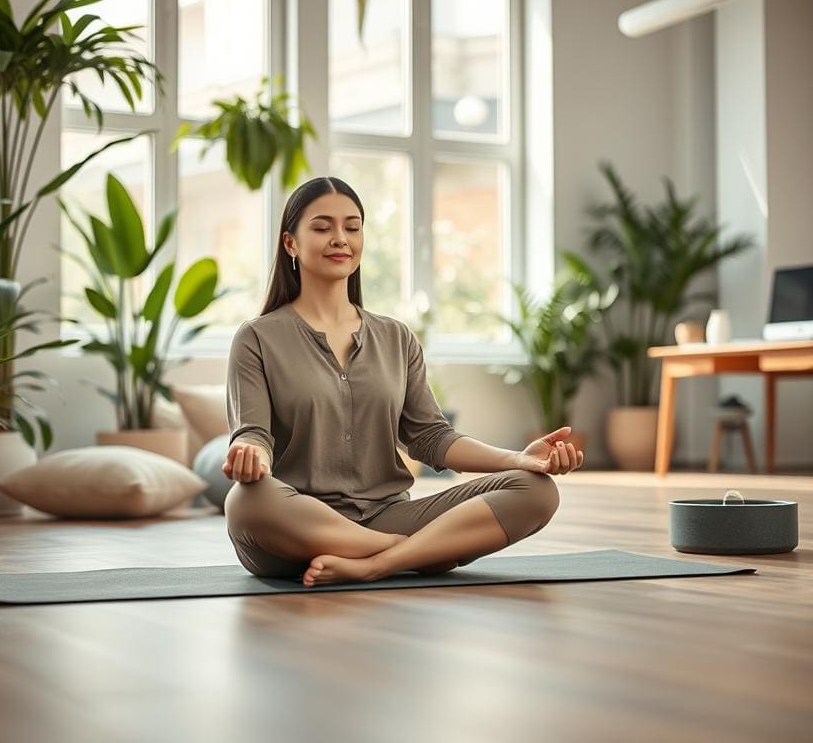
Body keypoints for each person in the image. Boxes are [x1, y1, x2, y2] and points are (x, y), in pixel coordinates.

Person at [222, 176, 584, 587]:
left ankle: (375, 563)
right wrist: (251, 454)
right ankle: (417, 552)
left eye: (352, 227)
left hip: (388, 512)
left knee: (536, 491)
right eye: (323, 227)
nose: (340, 238)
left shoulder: (396, 337)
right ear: (291, 243)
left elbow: (430, 437)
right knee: (245, 502)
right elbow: (253, 435)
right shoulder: (257, 338)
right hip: (296, 524)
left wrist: (519, 459)